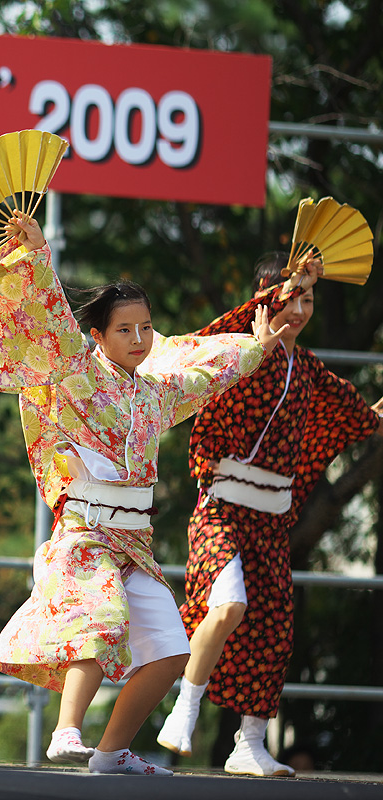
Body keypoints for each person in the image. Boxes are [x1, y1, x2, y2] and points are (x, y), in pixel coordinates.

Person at [0, 211, 283, 776]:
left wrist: (259, 347)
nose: (141, 339)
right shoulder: (74, 374)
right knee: (97, 621)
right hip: (85, 535)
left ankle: (109, 751)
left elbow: (208, 373)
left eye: (146, 327)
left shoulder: (156, 393)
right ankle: (66, 731)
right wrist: (39, 252)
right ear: (97, 337)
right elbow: (50, 321)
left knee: (171, 652)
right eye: (125, 329)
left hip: (135, 543)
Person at [157, 253, 382, 776]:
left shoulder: (308, 370)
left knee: (274, 633)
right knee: (229, 604)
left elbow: (360, 417)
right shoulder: (233, 352)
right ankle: (183, 708)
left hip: (272, 522)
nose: (299, 308)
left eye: (308, 297)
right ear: (262, 299)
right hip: (221, 514)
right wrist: (277, 297)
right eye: (289, 296)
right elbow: (220, 330)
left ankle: (250, 744)